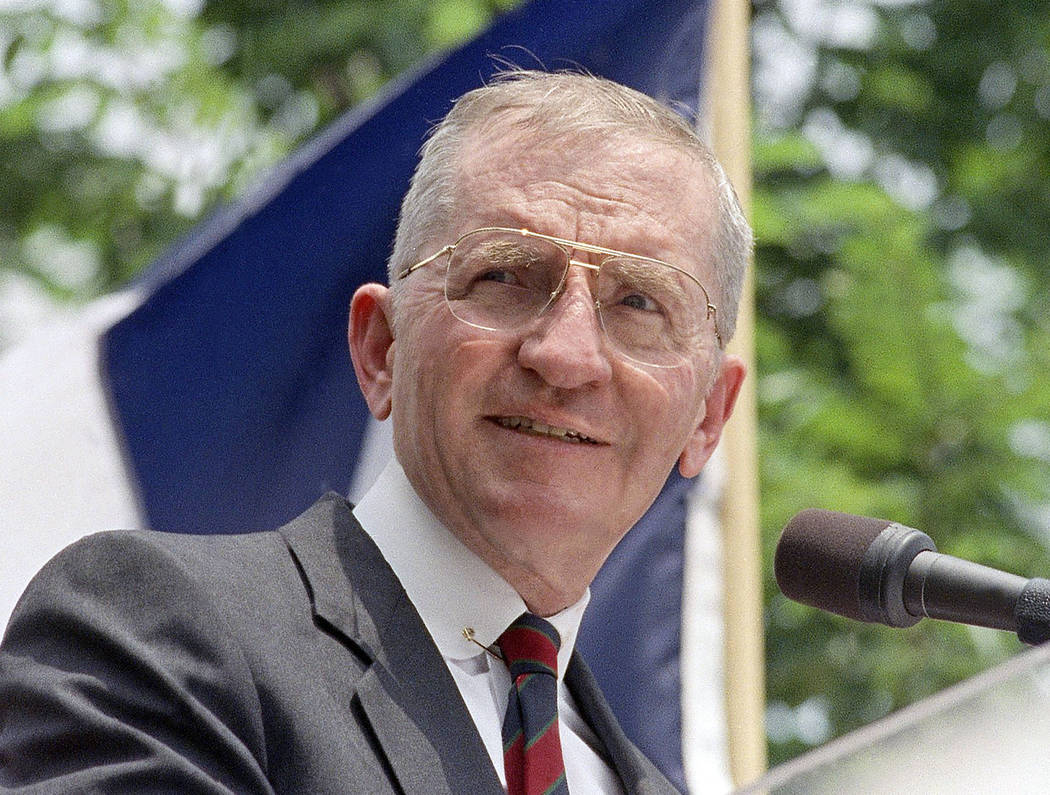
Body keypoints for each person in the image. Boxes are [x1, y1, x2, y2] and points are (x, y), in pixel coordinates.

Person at [0, 70, 750, 793]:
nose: (565, 355)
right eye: (504, 276)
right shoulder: (157, 633)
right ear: (381, 349)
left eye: (641, 303)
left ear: (709, 416)